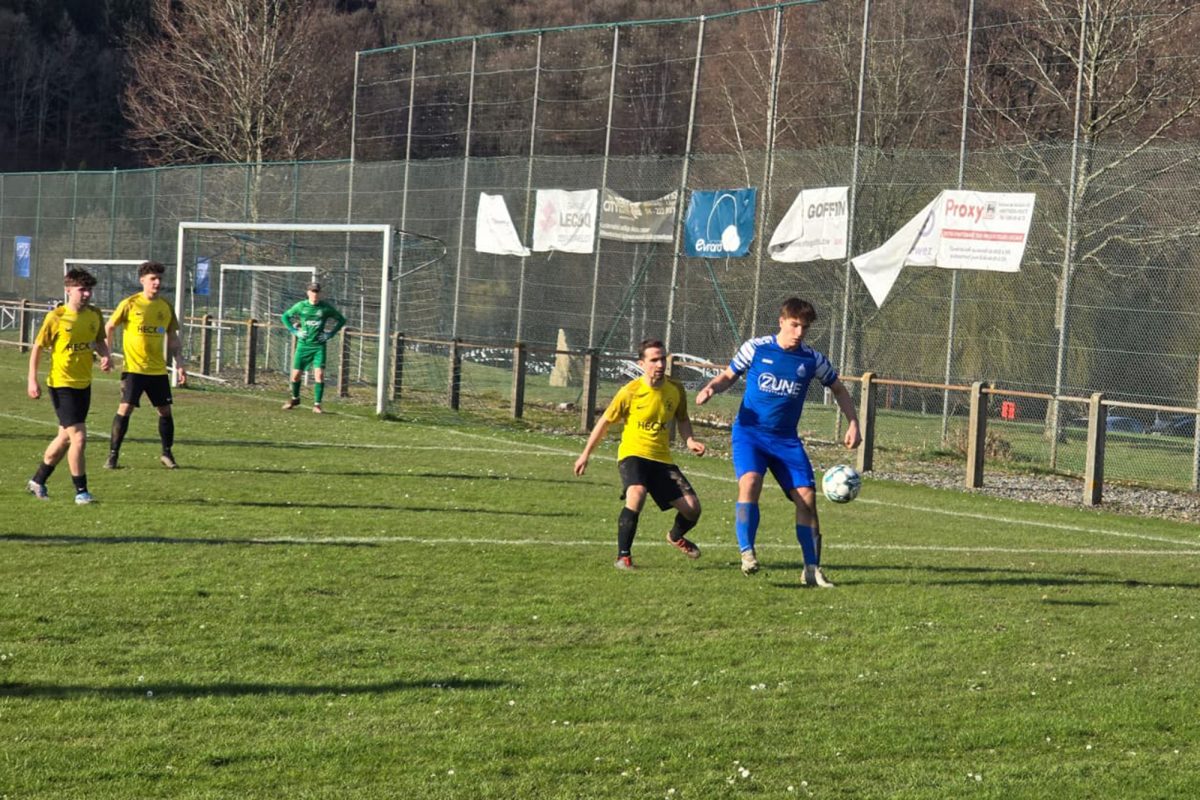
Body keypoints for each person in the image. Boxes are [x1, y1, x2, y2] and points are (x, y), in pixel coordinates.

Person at [696, 297, 860, 587]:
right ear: (782, 321)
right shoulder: (756, 348)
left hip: (785, 441)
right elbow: (728, 376)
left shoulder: (812, 359)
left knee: (807, 500)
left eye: (804, 328)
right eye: (795, 325)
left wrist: (853, 423)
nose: (799, 333)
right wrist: (712, 387)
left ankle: (811, 568)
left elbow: (838, 389)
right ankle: (747, 552)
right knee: (750, 482)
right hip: (750, 434)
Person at [574, 339, 706, 570]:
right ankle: (623, 557)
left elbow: (682, 418)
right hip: (633, 453)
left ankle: (675, 536)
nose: (660, 364)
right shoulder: (630, 391)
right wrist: (585, 454)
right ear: (642, 363)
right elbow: (605, 422)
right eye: (654, 359)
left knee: (692, 508)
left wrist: (690, 440)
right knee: (637, 493)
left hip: (661, 459)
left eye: (662, 358)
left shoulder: (675, 389)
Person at [26, 269, 112, 503]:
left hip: (84, 384)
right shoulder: (56, 317)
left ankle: (37, 480)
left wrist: (106, 356)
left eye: (89, 290)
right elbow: (38, 347)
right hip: (61, 384)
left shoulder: (95, 314)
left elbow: (99, 341)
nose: (86, 294)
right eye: (81, 289)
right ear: (68, 290)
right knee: (79, 438)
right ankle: (81, 492)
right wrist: (32, 379)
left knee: (65, 438)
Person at [104, 260, 187, 470]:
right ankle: (113, 456)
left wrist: (180, 364)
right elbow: (110, 326)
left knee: (165, 411)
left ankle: (167, 454)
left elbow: (172, 336)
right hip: (133, 369)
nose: (157, 282)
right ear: (142, 280)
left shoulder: (166, 306)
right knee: (126, 408)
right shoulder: (130, 303)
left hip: (158, 370)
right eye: (153, 279)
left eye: (160, 279)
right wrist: (107, 354)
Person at [280, 281, 346, 414]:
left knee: (319, 375)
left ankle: (317, 404)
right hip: (303, 346)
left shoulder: (325, 308)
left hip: (318, 346)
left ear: (320, 293)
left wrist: (330, 334)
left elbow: (341, 320)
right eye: (312, 291)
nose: (314, 294)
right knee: (295, 376)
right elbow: (285, 317)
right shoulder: (301, 306)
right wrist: (294, 331)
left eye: (317, 291)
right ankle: (295, 398)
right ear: (308, 293)